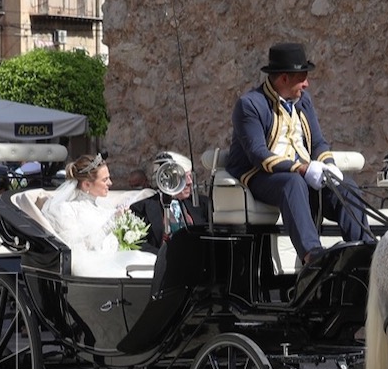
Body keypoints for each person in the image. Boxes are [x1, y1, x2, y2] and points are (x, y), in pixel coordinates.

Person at [229, 42, 373, 268]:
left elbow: (318, 142)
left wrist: (328, 166)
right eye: (302, 77)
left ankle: (364, 254)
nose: (306, 84)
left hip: (303, 174)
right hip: (262, 176)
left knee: (347, 187)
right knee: (293, 183)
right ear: (284, 78)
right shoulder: (250, 105)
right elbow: (259, 155)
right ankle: (313, 256)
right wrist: (301, 168)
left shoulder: (303, 101)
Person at [41, 154, 124, 252]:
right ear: (87, 184)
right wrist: (111, 223)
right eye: (104, 180)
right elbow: (80, 249)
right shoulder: (66, 210)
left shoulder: (101, 207)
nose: (110, 183)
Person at [129, 151, 209, 254]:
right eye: (183, 177)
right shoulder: (141, 208)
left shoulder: (202, 204)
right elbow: (138, 244)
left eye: (191, 176)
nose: (189, 182)